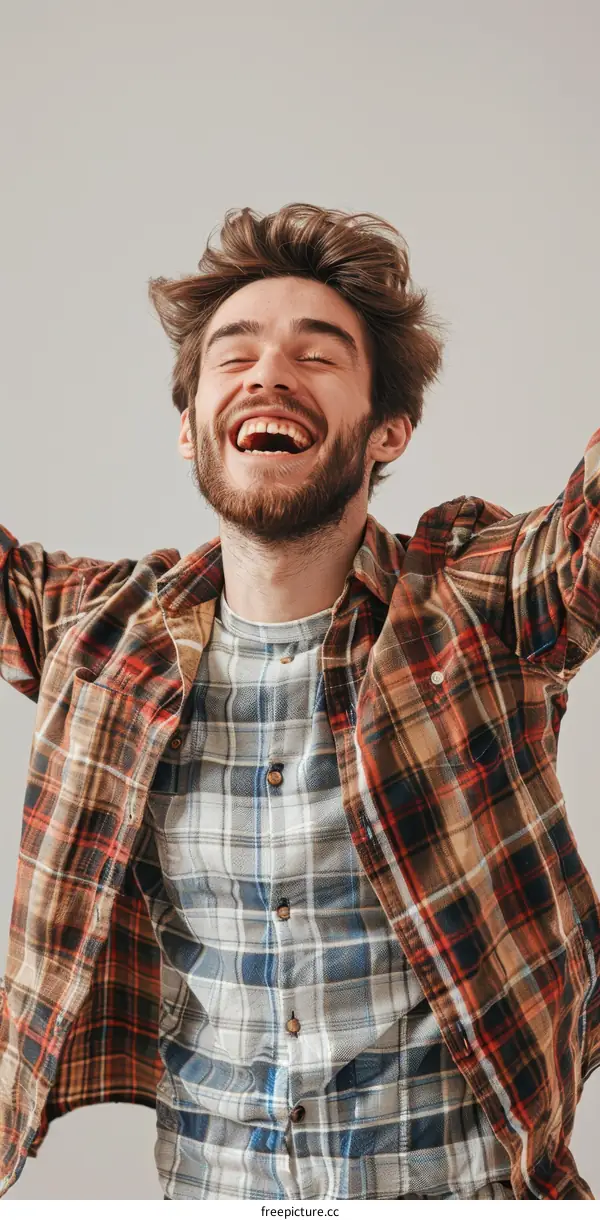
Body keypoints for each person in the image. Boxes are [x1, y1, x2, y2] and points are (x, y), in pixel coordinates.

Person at [0, 203, 598, 1202]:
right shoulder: (104, 635)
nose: (268, 372)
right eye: (234, 353)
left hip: (460, 1190)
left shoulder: (475, 603)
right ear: (189, 430)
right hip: (212, 1189)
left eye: (317, 356)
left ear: (387, 429)